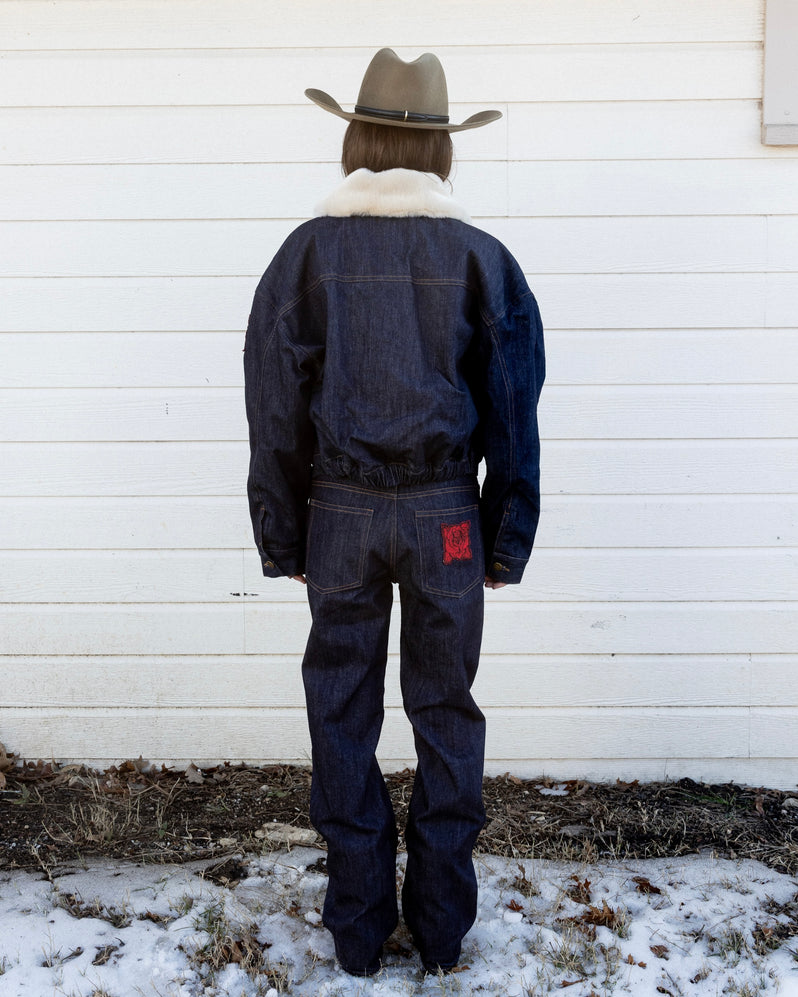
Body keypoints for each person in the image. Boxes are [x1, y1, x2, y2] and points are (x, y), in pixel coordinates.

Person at [244, 48, 545, 977]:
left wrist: (283, 528)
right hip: (447, 516)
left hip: (338, 514)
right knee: (446, 710)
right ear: (441, 151)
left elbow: (272, 403)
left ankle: (359, 929)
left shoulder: (305, 256)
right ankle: (443, 931)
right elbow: (514, 408)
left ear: (355, 144)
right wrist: (505, 534)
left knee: (340, 710)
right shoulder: (482, 261)